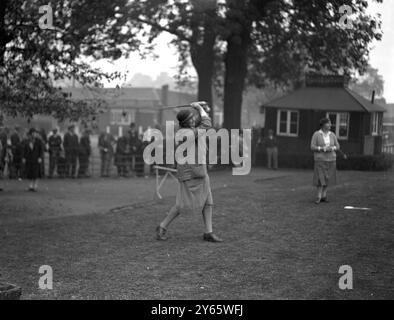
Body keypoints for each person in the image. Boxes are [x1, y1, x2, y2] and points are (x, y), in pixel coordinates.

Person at [156, 102, 223, 243]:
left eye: (194, 118)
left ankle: (208, 232)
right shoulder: (185, 134)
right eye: (191, 118)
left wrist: (201, 108)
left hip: (199, 171)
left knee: (208, 201)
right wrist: (198, 108)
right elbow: (206, 124)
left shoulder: (189, 129)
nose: (194, 120)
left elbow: (203, 121)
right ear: (186, 122)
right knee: (181, 205)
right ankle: (162, 226)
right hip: (191, 174)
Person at [310, 118, 341, 204]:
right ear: (323, 125)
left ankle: (324, 195)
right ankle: (318, 196)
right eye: (328, 123)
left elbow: (338, 146)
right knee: (320, 178)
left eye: (330, 123)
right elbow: (312, 147)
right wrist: (322, 148)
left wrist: (332, 148)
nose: (330, 125)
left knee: (328, 178)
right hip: (320, 160)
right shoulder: (316, 134)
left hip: (331, 160)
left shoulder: (332, 135)